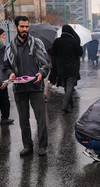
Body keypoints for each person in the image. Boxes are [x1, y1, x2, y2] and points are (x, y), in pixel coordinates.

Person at [3, 16, 49, 156]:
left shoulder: (37, 43)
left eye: (27, 26)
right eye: (22, 26)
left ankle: (42, 146)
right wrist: (10, 74)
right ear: (16, 27)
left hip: (36, 87)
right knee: (24, 120)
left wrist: (41, 73)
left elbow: (45, 64)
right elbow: (5, 67)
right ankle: (27, 146)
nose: (25, 29)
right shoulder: (10, 46)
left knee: (41, 119)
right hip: (19, 89)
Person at [52, 25, 83, 113]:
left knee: (66, 85)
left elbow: (53, 53)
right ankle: (64, 107)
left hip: (61, 68)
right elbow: (80, 53)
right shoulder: (74, 41)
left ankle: (71, 103)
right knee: (69, 86)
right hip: (72, 68)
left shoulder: (57, 41)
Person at [0, 28, 14, 125]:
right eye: (3, 35)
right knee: (4, 98)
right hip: (1, 79)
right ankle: (5, 118)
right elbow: (1, 65)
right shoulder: (1, 48)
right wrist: (3, 81)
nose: (4, 37)